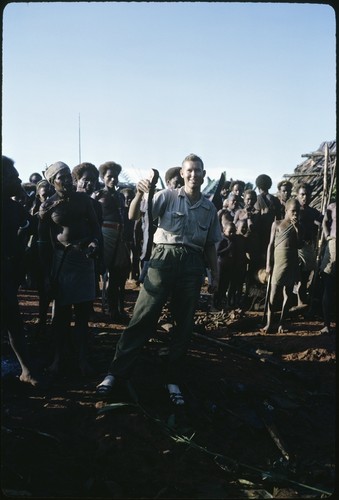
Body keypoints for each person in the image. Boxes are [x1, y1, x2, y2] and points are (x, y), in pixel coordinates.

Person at [96, 154, 221, 406]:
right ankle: (115, 373)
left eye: (198, 171)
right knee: (143, 315)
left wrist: (214, 276)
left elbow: (210, 246)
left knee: (184, 323)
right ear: (183, 173)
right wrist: (140, 194)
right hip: (164, 257)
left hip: (192, 263)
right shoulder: (168, 195)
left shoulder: (210, 209)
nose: (193, 175)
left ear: (204, 175)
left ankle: (172, 379)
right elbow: (133, 216)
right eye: (189, 170)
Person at [38, 161, 101, 376]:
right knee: (61, 315)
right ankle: (57, 359)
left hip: (84, 259)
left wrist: (94, 244)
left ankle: (83, 359)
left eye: (68, 175)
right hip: (62, 261)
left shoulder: (84, 200)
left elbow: (95, 228)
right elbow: (43, 242)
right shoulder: (48, 206)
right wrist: (46, 273)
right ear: (52, 181)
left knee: (83, 313)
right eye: (60, 177)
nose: (66, 180)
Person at [1, 155, 39, 386]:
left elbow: (33, 225)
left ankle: (26, 370)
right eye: (14, 176)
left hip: (6, 271)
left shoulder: (14, 207)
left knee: (13, 321)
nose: (19, 179)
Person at [92, 161, 129, 322]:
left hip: (120, 234)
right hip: (105, 232)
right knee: (102, 269)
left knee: (119, 272)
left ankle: (116, 309)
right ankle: (102, 309)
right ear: (103, 178)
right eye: (109, 177)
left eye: (115, 176)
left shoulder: (120, 195)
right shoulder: (98, 195)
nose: (113, 179)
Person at [262, 198, 303, 334]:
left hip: (291, 262)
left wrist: (297, 230)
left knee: (288, 293)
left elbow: (300, 245)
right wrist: (268, 264)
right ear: (286, 210)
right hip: (278, 263)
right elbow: (270, 245)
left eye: (298, 212)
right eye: (293, 211)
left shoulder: (298, 226)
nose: (296, 214)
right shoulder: (277, 224)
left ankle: (282, 322)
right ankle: (269, 323)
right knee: (273, 294)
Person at [295, 182, 323, 307]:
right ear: (297, 195)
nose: (305, 197)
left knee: (305, 277)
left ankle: (302, 301)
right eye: (302, 194)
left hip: (308, 247)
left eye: (307, 195)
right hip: (295, 248)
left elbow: (324, 221)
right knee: (295, 277)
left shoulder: (313, 212)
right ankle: (295, 301)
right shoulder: (294, 211)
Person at [319, 201, 336, 333]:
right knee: (329, 282)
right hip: (333, 244)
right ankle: (327, 324)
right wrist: (327, 235)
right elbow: (325, 221)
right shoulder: (332, 206)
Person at [213, 219, 236, 309]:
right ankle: (214, 304)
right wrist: (228, 248)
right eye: (230, 232)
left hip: (228, 266)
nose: (232, 234)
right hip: (220, 265)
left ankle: (220, 302)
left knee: (224, 285)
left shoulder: (232, 240)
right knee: (219, 285)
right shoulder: (222, 240)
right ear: (224, 230)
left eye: (234, 232)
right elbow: (217, 252)